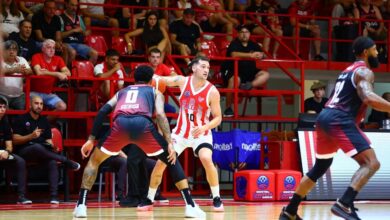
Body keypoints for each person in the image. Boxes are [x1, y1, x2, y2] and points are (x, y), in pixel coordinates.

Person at [279, 36, 390, 220]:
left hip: (324, 118)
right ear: (365, 52)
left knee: (320, 167)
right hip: (340, 119)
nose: (377, 52)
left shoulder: (346, 71)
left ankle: (289, 211)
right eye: (375, 49)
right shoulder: (364, 71)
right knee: (371, 163)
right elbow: (369, 98)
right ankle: (344, 203)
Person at [73, 65, 205, 218]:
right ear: (151, 80)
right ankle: (190, 205)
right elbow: (161, 115)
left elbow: (103, 111)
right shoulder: (155, 91)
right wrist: (169, 142)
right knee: (171, 160)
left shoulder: (121, 92)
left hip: (120, 124)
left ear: (134, 79)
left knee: (94, 162)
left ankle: (81, 205)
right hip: (143, 125)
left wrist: (91, 140)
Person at [140, 56, 224, 212]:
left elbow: (218, 118)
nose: (207, 70)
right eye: (203, 66)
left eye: (208, 67)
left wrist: (205, 126)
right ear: (194, 68)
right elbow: (161, 79)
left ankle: (217, 198)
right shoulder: (182, 81)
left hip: (201, 133)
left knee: (206, 158)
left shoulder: (213, 91)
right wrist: (146, 75)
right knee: (160, 164)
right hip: (180, 134)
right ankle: (149, 198)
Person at [12, 95, 80, 204]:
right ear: (30, 105)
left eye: (41, 104)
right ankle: (66, 160)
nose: (39, 106)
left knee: (52, 162)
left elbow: (48, 140)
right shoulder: (21, 119)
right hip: (24, 151)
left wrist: (52, 146)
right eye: (36, 103)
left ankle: (54, 196)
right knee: (36, 147)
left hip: (42, 152)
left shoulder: (44, 121)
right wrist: (31, 136)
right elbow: (14, 140)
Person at [222, 24, 270, 117]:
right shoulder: (234, 43)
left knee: (265, 74)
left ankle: (249, 85)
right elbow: (234, 54)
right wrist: (250, 55)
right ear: (238, 34)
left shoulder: (253, 44)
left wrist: (261, 55)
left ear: (249, 34)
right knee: (235, 80)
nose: (244, 34)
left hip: (249, 72)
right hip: (233, 71)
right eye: (242, 32)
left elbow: (264, 55)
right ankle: (228, 108)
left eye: (246, 32)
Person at [0, 95, 32, 204]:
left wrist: (7, 152)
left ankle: (21, 196)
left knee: (21, 161)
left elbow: (9, 144)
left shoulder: (5, 122)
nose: (2, 109)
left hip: (3, 152)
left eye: (4, 107)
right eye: (0, 107)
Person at [31, 39, 70, 116]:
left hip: (48, 93)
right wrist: (57, 74)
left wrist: (46, 72)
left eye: (53, 48)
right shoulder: (36, 56)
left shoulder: (58, 59)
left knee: (62, 106)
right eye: (49, 47)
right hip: (34, 92)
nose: (52, 50)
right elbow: (39, 72)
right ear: (43, 49)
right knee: (34, 107)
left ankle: (45, 123)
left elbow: (68, 73)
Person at [60, 0, 98, 65]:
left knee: (94, 54)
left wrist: (86, 32)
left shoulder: (79, 18)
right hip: (66, 43)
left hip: (78, 44)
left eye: (76, 6)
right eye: (72, 5)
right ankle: (69, 73)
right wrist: (73, 31)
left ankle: (87, 72)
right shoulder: (60, 18)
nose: (74, 8)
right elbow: (59, 35)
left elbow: (87, 32)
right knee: (72, 52)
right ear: (66, 5)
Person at [0, 40, 32, 110]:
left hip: (19, 96)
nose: (11, 52)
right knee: (3, 115)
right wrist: (14, 70)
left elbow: (30, 71)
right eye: (9, 49)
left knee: (25, 112)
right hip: (2, 95)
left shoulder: (22, 60)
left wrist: (26, 71)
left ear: (17, 51)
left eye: (14, 49)